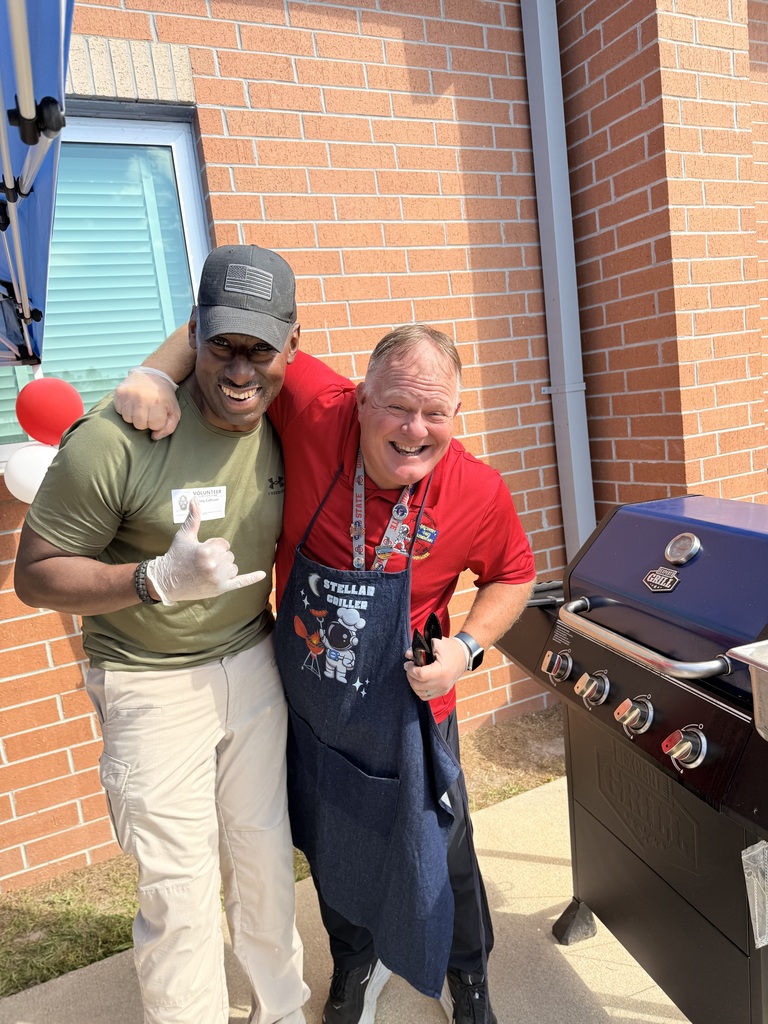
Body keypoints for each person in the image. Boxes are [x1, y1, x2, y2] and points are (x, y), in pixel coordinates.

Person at [115, 314, 536, 1024]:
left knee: (443, 847)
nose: (415, 429)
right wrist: (155, 373)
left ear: (456, 415)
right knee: (338, 843)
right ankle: (355, 963)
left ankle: (466, 974)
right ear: (360, 398)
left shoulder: (477, 490)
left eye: (437, 412)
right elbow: (225, 325)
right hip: (310, 700)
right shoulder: (314, 405)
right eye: (398, 406)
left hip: (411, 703)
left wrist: (465, 651)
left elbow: (515, 576)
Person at [13, 245, 310, 1024]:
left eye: (261, 349)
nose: (242, 371)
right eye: (222, 346)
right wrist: (150, 580)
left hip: (253, 662)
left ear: (293, 346)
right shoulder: (117, 438)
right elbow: (36, 574)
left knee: (264, 863)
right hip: (148, 681)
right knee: (179, 892)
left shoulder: (291, 410)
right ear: (195, 334)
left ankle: (278, 1011)